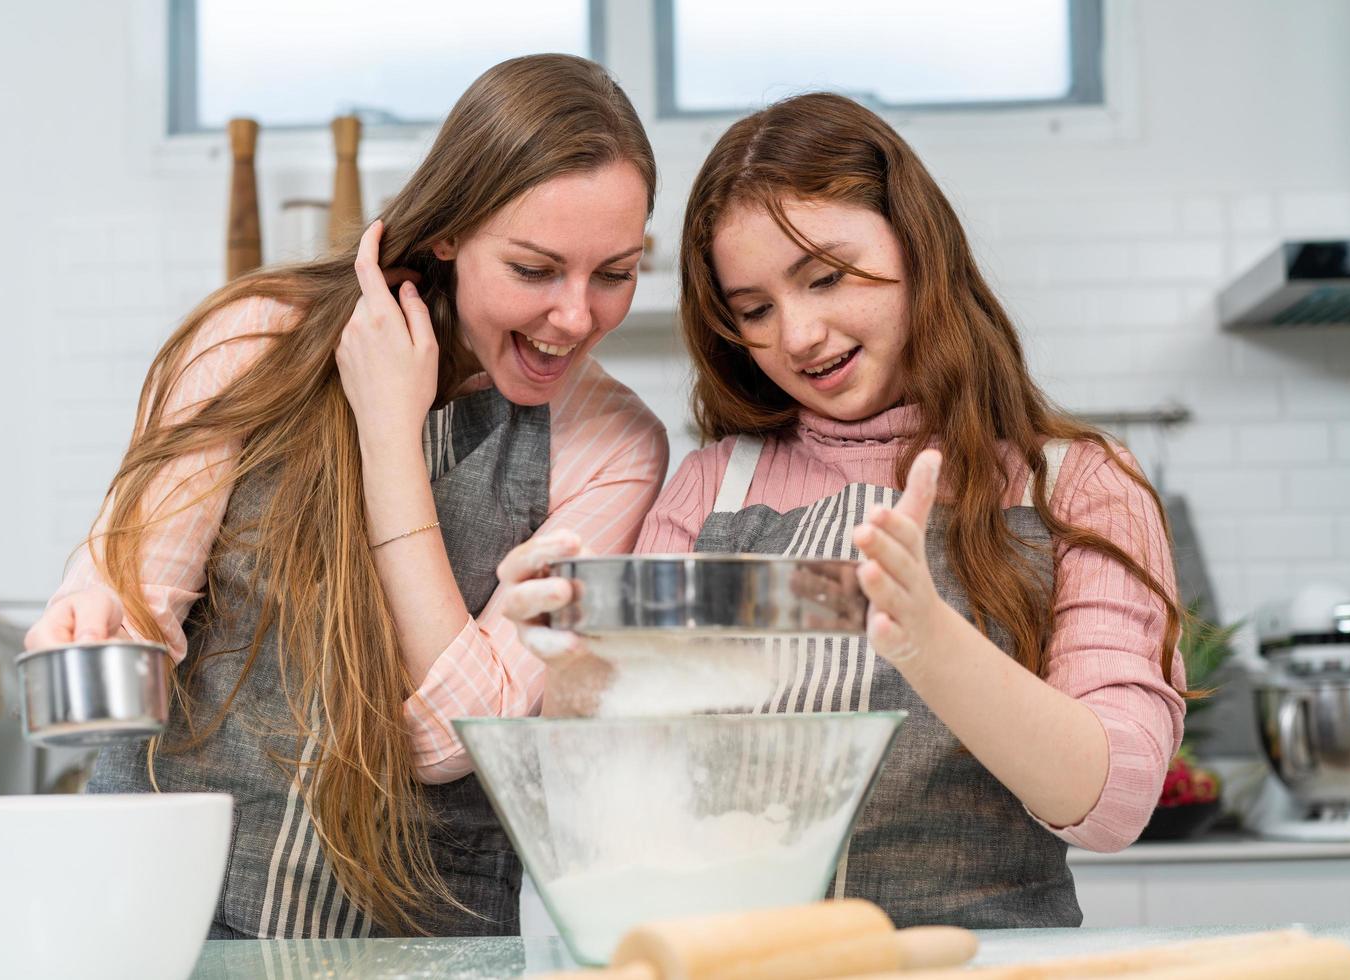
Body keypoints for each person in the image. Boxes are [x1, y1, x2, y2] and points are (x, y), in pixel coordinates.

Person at [499, 92, 1186, 929]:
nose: (799, 335)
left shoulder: (1078, 485)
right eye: (755, 310)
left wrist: (930, 641)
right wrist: (573, 681)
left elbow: (1114, 801)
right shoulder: (711, 490)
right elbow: (631, 807)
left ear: (918, 245)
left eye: (826, 276)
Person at [23, 54, 668, 939]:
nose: (574, 317)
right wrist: (93, 609)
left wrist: (387, 434)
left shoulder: (616, 448)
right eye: (533, 269)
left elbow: (453, 740)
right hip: (173, 916)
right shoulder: (256, 339)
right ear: (448, 232)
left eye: (615, 274)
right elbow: (132, 605)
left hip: (418, 945)